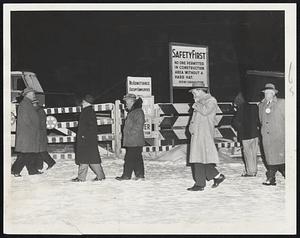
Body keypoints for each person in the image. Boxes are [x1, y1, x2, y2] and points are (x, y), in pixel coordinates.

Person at [187, 87, 225, 191]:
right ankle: (217, 176)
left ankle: (200, 184)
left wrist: (197, 104)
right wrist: (191, 128)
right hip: (198, 134)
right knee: (200, 158)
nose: (193, 94)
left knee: (199, 158)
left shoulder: (211, 101)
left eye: (194, 92)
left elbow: (205, 111)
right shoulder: (200, 102)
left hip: (204, 134)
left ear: (200, 91)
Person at [72, 94, 105, 182]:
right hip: (89, 139)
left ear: (86, 102)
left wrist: (84, 136)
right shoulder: (89, 111)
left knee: (86, 158)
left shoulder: (87, 112)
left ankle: (82, 178)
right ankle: (99, 176)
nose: (82, 103)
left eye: (83, 101)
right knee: (90, 159)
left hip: (86, 139)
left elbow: (89, 127)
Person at [11, 87, 43, 176]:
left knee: (31, 152)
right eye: (32, 94)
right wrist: (33, 129)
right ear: (27, 94)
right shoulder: (24, 104)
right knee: (25, 153)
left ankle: (32, 170)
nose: (34, 95)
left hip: (30, 133)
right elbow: (26, 120)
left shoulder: (28, 103)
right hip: (27, 134)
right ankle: (15, 170)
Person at [258, 83, 285, 186]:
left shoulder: (282, 103)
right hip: (267, 137)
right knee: (269, 157)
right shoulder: (261, 105)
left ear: (274, 93)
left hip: (279, 135)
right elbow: (261, 120)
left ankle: (277, 175)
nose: (267, 94)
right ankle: (271, 177)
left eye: (270, 92)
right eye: (266, 92)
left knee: (280, 157)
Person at [115, 94, 145, 181]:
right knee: (137, 158)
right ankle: (140, 175)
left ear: (132, 101)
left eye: (127, 102)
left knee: (129, 158)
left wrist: (129, 133)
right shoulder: (134, 111)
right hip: (134, 140)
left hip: (134, 140)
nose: (126, 104)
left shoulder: (138, 112)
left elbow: (138, 125)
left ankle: (126, 176)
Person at [232, 92, 260, 177]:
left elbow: (235, 122)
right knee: (254, 153)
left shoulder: (240, 109)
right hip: (254, 134)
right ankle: (254, 170)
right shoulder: (254, 107)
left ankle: (250, 172)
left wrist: (240, 128)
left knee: (248, 154)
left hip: (245, 135)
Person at [32, 99, 56, 170]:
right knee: (39, 150)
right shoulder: (38, 110)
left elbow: (39, 123)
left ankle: (50, 162)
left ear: (35, 104)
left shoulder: (39, 111)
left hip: (40, 133)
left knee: (41, 150)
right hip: (39, 133)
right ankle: (39, 166)